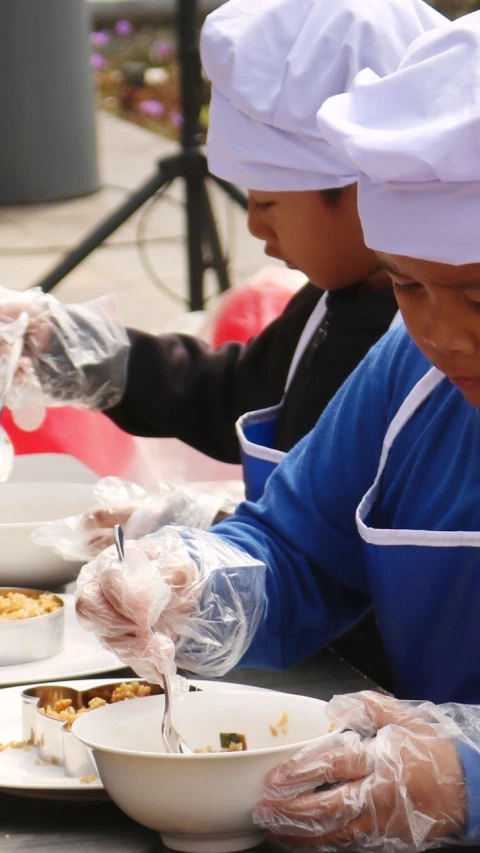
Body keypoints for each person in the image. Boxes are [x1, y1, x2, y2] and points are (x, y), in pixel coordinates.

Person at [74, 10, 480, 850]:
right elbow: (296, 545)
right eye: (407, 285)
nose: (444, 334)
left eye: (477, 294)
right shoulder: (409, 368)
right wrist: (198, 584)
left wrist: (466, 776)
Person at [1, 0, 443, 685]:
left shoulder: (417, 338)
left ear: (364, 189)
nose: (257, 230)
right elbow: (239, 396)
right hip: (305, 670)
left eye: (268, 203)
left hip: (375, 687)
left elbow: (353, 551)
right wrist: (79, 349)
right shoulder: (339, 306)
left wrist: (198, 519)